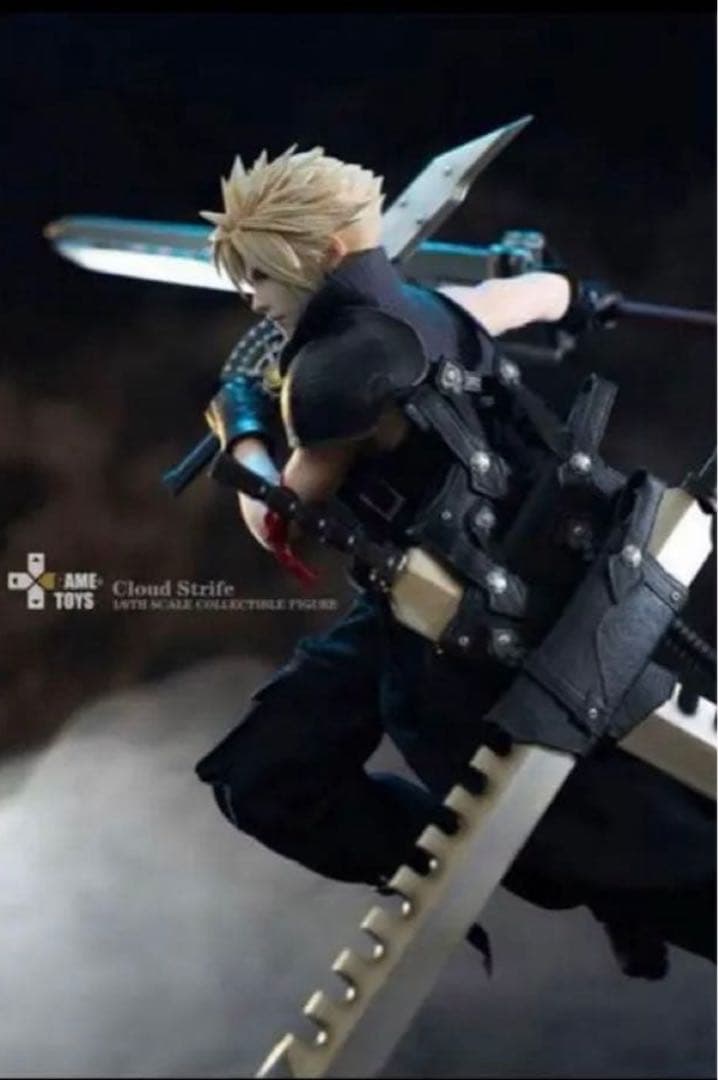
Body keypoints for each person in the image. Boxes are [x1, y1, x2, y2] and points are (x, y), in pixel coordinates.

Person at [195, 146, 715, 978]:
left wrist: (241, 422)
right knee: (263, 775)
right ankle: (543, 880)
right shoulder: (438, 308)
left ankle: (562, 883)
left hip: (461, 630)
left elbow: (277, 516)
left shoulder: (335, 373)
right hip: (445, 590)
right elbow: (530, 296)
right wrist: (576, 297)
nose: (252, 297)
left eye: (259, 275)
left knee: (276, 782)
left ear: (325, 252)